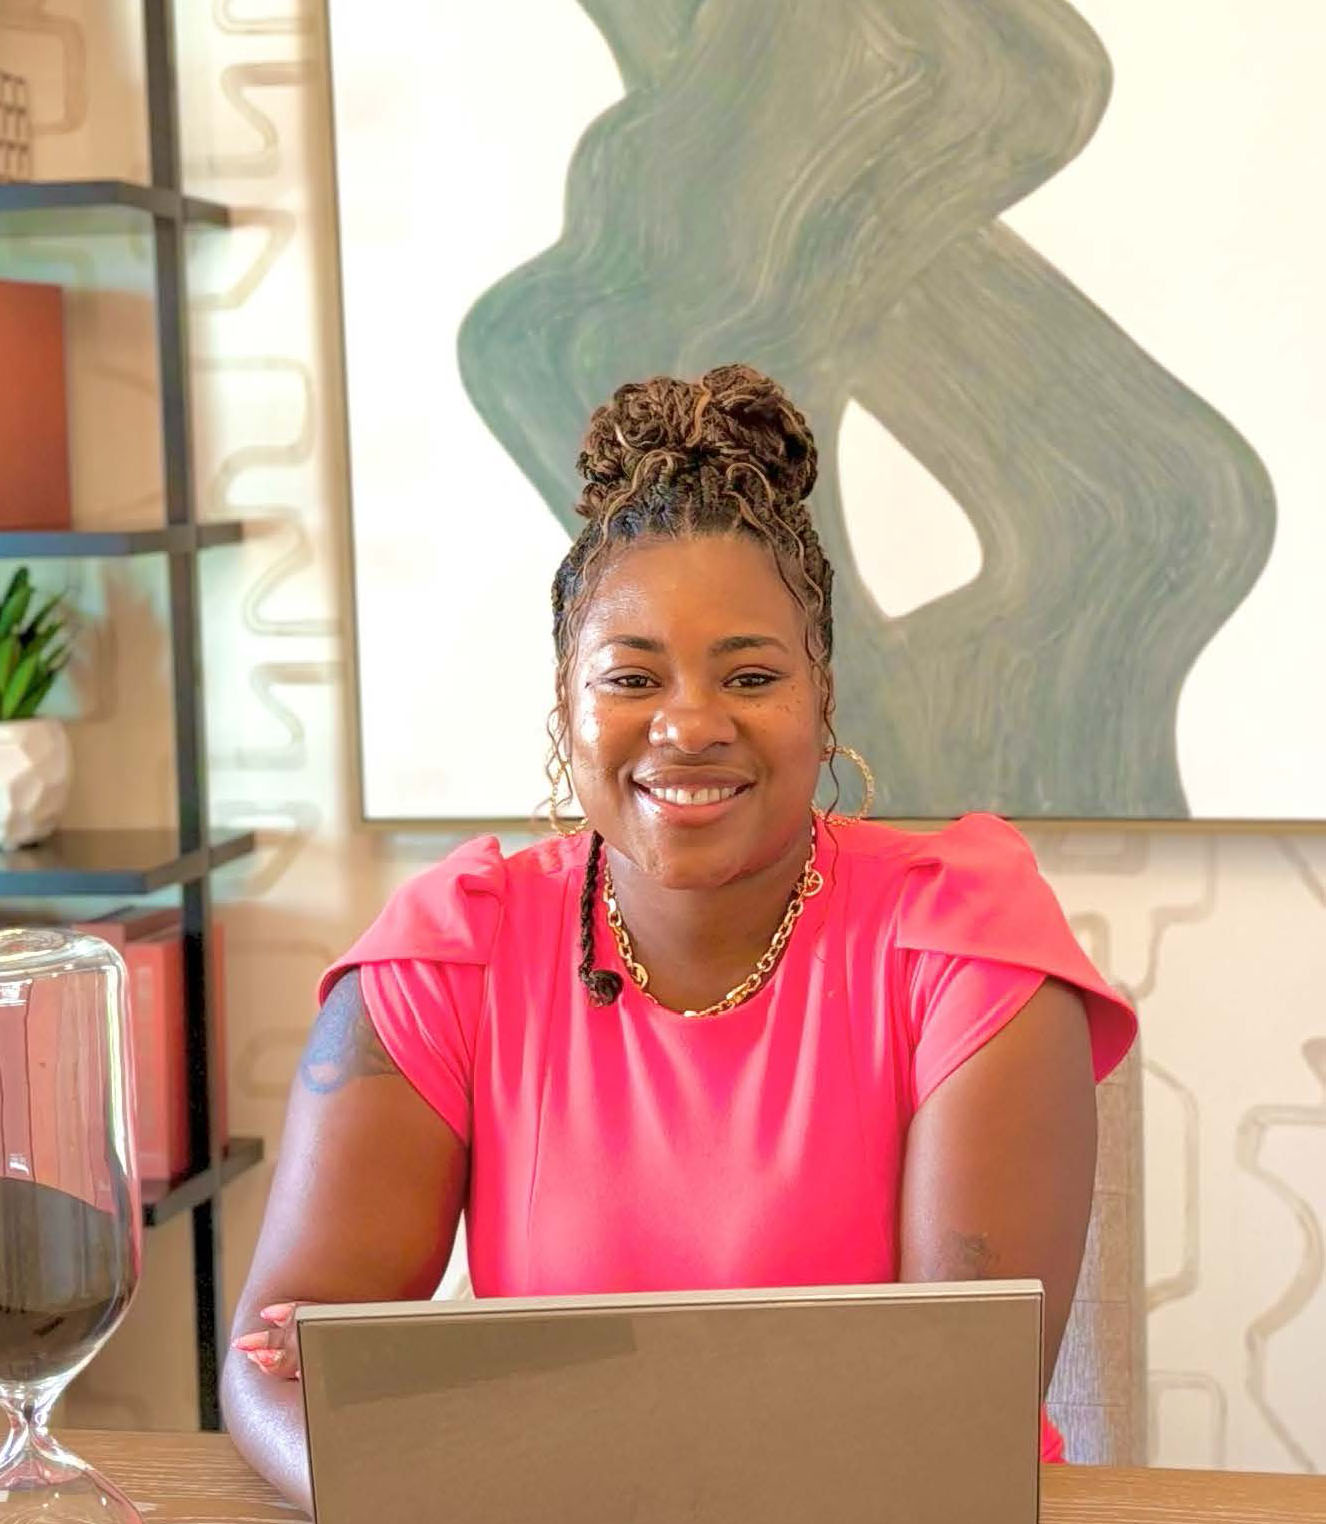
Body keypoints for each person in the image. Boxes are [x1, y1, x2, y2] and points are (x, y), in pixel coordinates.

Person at [223, 364, 1137, 1511]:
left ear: (823, 697)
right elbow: (274, 1369)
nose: (691, 724)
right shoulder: (450, 956)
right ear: (568, 706)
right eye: (631, 676)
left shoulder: (965, 949)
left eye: (751, 674)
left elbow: (946, 1416)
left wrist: (496, 1452)